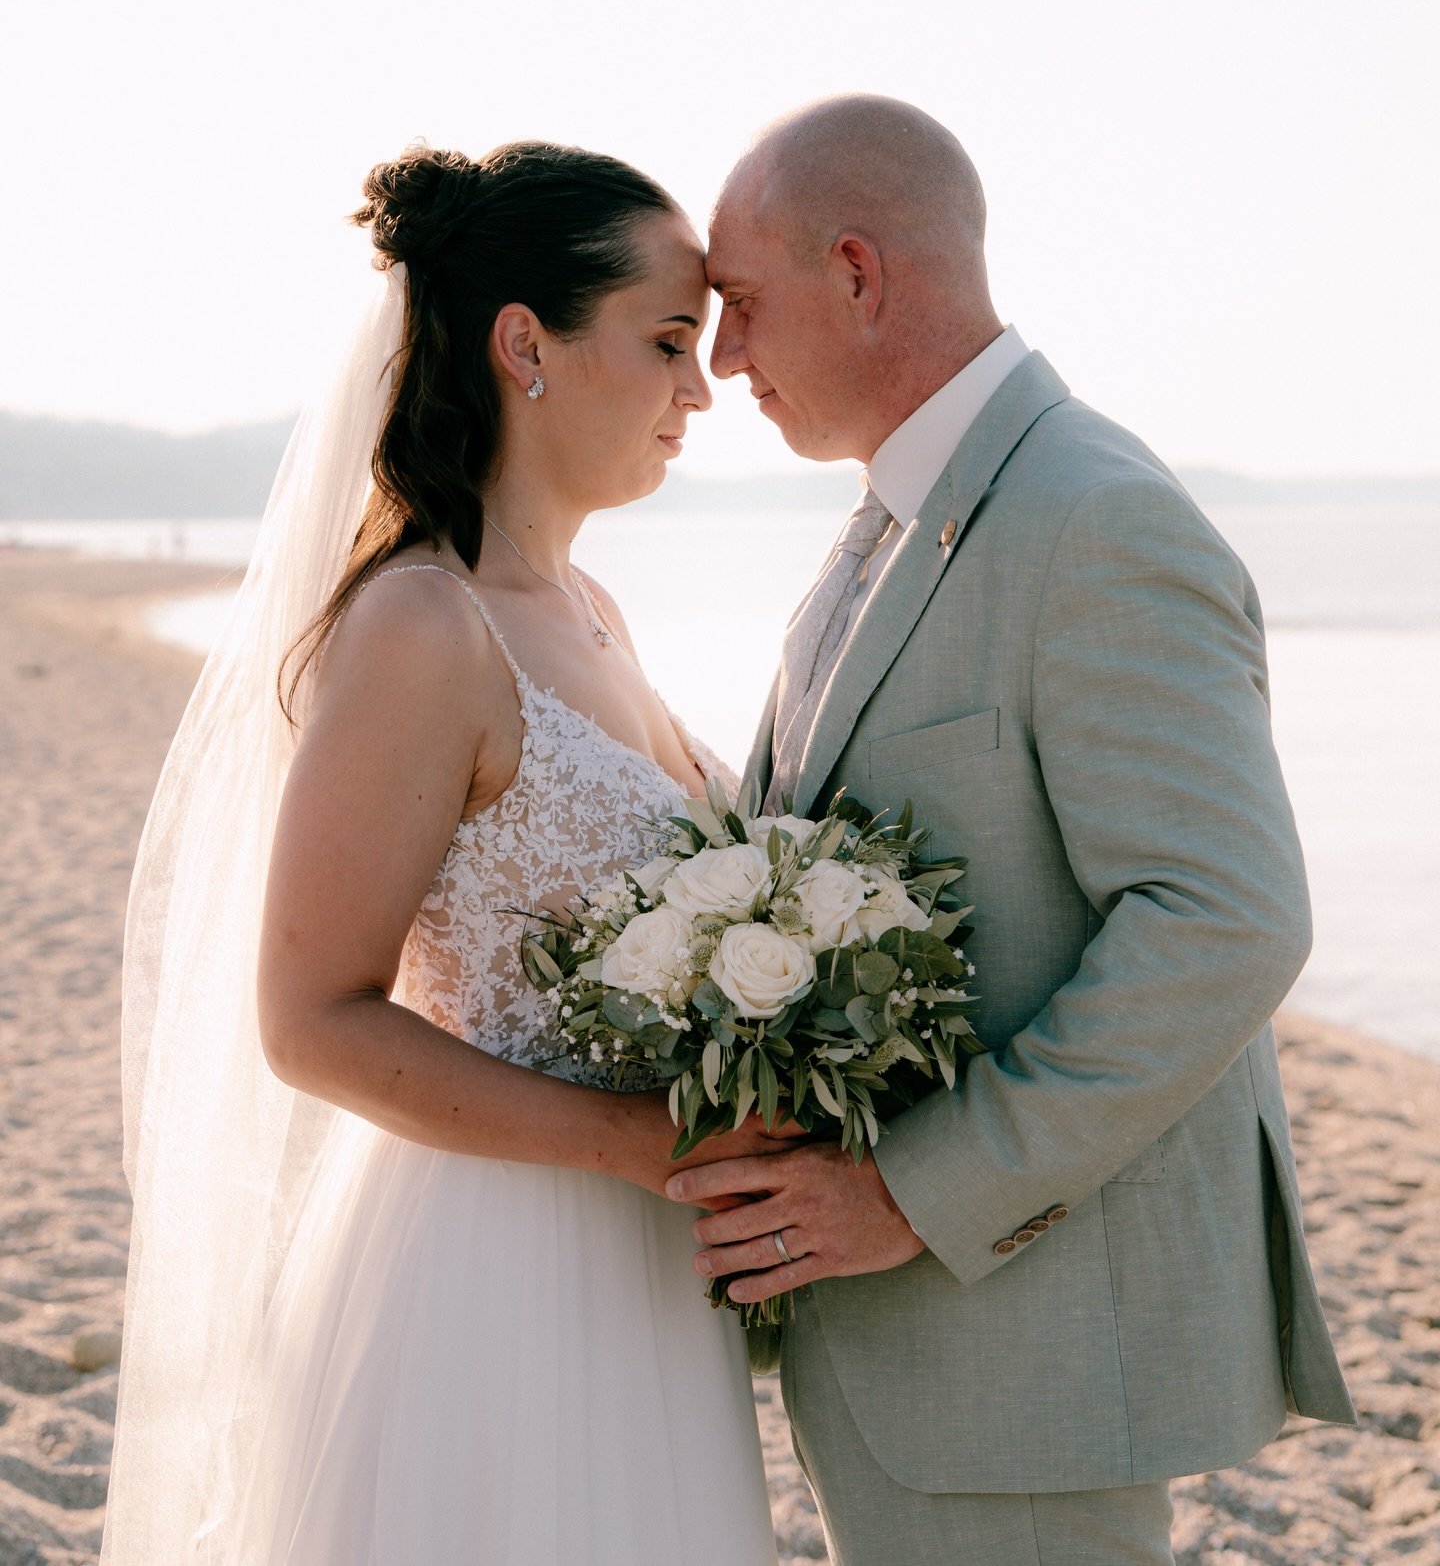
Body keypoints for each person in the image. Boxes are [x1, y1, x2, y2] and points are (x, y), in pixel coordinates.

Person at [665, 95, 1356, 1566]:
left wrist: (911, 1196)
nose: (722, 361)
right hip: (908, 1355)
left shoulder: (1095, 519)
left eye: (739, 306)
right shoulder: (899, 518)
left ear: (857, 273)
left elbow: (1226, 919)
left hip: (1024, 1354)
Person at [103, 142, 781, 1565]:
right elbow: (312, 1022)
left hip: (643, 1259)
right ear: (523, 343)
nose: (700, 390)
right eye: (668, 342)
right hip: (492, 1266)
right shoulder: (423, 625)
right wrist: (644, 1145)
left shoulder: (587, 604)